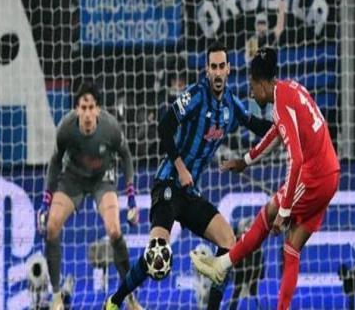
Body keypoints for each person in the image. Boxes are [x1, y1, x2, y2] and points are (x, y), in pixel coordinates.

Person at [104, 40, 272, 310]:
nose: (217, 72)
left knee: (229, 242)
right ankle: (114, 301)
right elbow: (164, 127)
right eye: (213, 67)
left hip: (190, 192)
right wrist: (181, 169)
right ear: (207, 70)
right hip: (169, 183)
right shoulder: (195, 96)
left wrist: (285, 126)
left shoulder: (231, 104)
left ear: (229, 69)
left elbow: (256, 125)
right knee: (157, 253)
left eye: (222, 66)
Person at [191, 47, 340, 310]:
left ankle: (222, 265)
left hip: (314, 176)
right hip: (331, 174)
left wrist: (284, 211)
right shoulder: (289, 88)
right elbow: (275, 133)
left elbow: (296, 160)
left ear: (261, 84)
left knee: (269, 211)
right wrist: (246, 160)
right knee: (291, 247)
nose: (250, 93)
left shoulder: (281, 104)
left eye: (251, 87)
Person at [37, 82, 142, 310]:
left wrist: (131, 197)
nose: (87, 113)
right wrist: (45, 202)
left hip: (102, 179)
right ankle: (56, 297)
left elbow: (126, 157)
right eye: (83, 108)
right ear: (76, 109)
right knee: (51, 227)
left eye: (91, 108)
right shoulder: (66, 128)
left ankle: (131, 298)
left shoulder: (110, 127)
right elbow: (55, 162)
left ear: (98, 109)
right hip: (72, 179)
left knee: (114, 231)